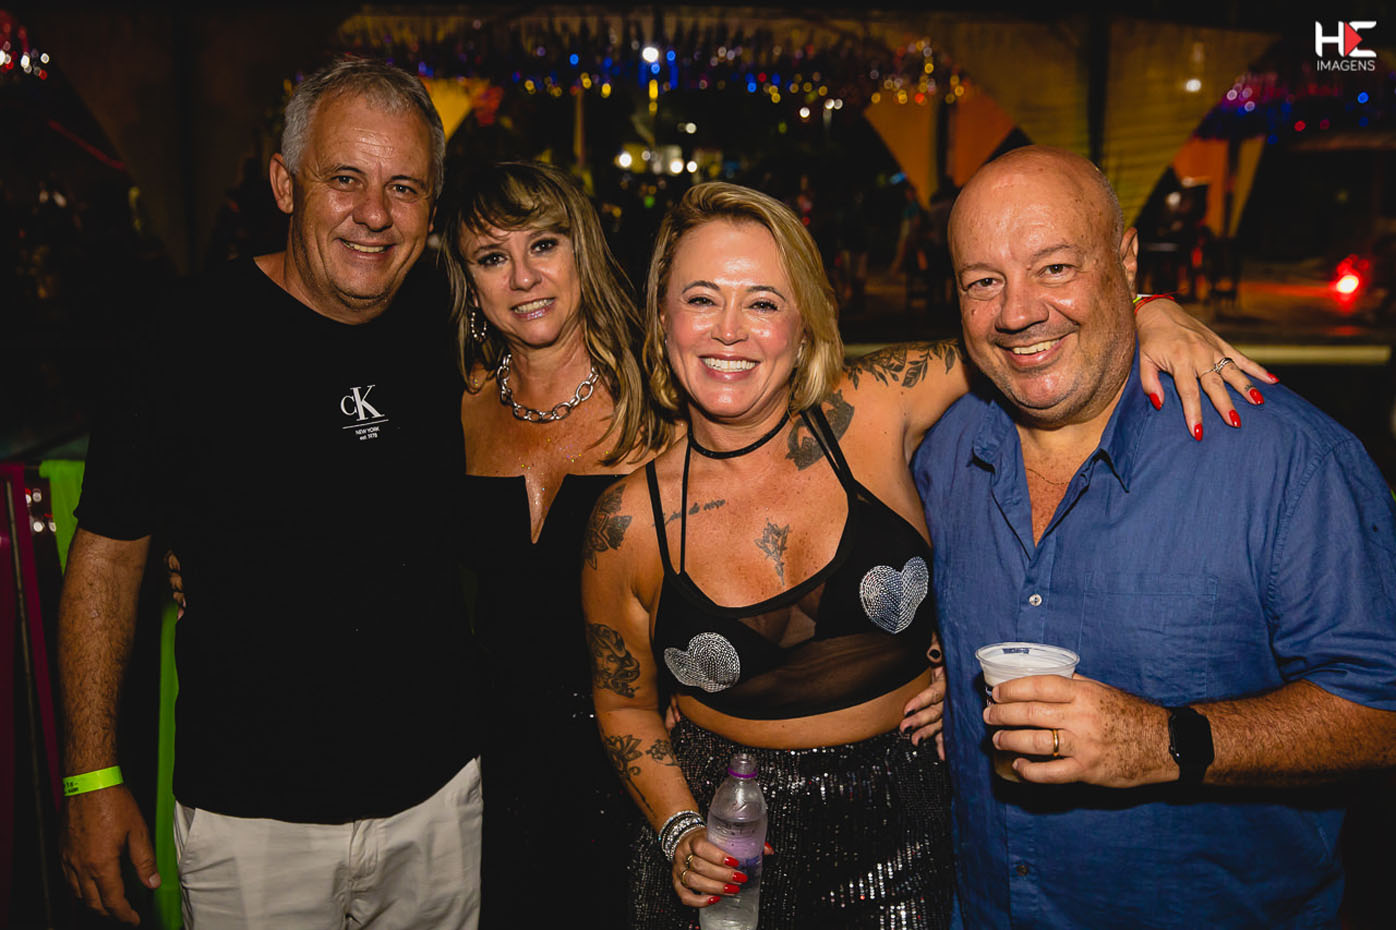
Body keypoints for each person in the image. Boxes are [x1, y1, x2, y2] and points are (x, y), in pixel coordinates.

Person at [581, 181, 1266, 930]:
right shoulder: (628, 523)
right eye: (702, 299)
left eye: (764, 303)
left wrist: (1147, 308)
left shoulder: (876, 406)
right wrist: (678, 828)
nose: (729, 332)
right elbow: (624, 705)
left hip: (902, 826)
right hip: (729, 834)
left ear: (803, 323)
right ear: (663, 318)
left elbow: (1021, 334)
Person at [912, 145, 1396, 928]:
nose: (1017, 312)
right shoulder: (943, 451)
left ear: (1127, 259)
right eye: (983, 282)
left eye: (1055, 268)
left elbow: (1381, 709)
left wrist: (1167, 742)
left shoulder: (1286, 461)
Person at [58, 58, 484, 928]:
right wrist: (92, 777)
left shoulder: (456, 322)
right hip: (251, 825)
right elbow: (105, 562)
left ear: (431, 206)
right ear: (285, 184)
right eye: (345, 179)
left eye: (404, 187)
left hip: (439, 806)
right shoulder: (181, 336)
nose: (375, 213)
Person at [437, 160, 670, 926]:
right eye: (492, 257)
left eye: (543, 244)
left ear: (582, 252)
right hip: (490, 768)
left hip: (637, 763)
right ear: (470, 283)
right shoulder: (456, 407)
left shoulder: (661, 401)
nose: (523, 277)